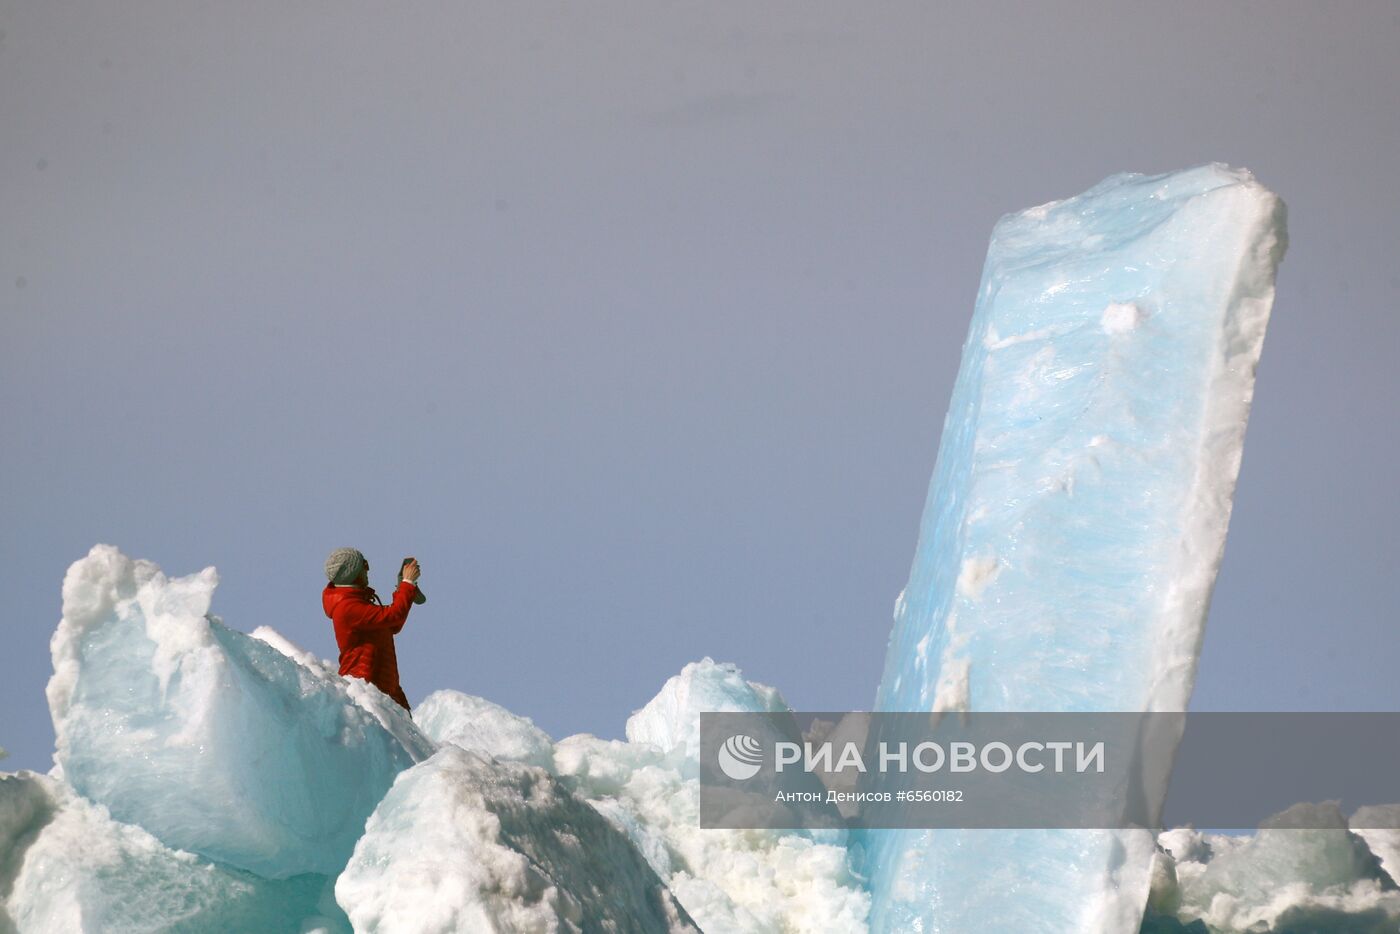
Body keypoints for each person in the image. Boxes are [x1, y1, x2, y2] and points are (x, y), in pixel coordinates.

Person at [322, 547, 421, 711]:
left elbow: (392, 625)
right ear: (353, 572)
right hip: (365, 688)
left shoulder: (357, 602)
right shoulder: (348, 608)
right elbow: (394, 615)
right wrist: (407, 584)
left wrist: (403, 589)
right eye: (364, 565)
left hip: (385, 689)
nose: (368, 569)